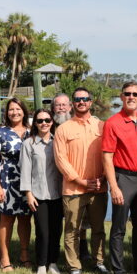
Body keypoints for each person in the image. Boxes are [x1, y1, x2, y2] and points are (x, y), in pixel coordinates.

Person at [102, 82, 137, 274]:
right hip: (123, 178)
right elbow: (107, 157)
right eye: (127, 94)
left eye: (135, 94)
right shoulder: (112, 123)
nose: (131, 97)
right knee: (119, 228)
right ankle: (119, 272)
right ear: (121, 97)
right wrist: (113, 186)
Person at [54, 87, 108, 274]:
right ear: (72, 104)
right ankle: (74, 266)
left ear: (91, 102)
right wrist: (80, 180)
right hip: (73, 188)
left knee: (98, 228)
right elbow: (61, 159)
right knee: (72, 229)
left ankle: (99, 261)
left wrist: (103, 177)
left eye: (85, 99)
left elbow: (108, 154)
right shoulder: (63, 129)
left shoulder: (101, 126)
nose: (81, 102)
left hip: (99, 187)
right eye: (77, 99)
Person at [0, 98, 31, 272]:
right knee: (6, 219)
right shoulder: (0, 132)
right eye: (11, 109)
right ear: (6, 113)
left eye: (18, 109)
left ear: (24, 111)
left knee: (26, 219)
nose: (15, 112)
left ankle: (24, 254)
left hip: (28, 181)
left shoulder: (31, 131)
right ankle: (4, 258)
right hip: (7, 179)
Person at [20, 109, 64, 274]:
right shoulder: (28, 144)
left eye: (47, 120)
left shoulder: (58, 142)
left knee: (56, 230)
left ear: (52, 122)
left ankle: (53, 262)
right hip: (38, 194)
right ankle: (41, 264)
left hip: (57, 193)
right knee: (42, 231)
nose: (44, 123)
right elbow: (25, 171)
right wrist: (28, 194)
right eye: (40, 121)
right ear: (35, 124)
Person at [53, 92, 92, 263]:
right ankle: (53, 253)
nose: (61, 108)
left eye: (64, 105)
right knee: (58, 221)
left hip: (74, 182)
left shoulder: (76, 125)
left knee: (80, 220)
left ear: (70, 107)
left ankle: (83, 250)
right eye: (57, 105)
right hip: (53, 182)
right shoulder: (46, 124)